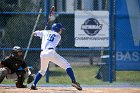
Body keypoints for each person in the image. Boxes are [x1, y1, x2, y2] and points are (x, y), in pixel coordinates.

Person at [30, 23, 82, 90]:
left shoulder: (45, 32)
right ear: (58, 29)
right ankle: (74, 81)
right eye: (60, 29)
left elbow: (33, 33)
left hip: (43, 53)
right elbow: (52, 39)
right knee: (67, 65)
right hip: (51, 52)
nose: (61, 31)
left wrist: (41, 32)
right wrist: (44, 33)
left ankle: (34, 84)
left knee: (42, 71)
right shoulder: (58, 36)